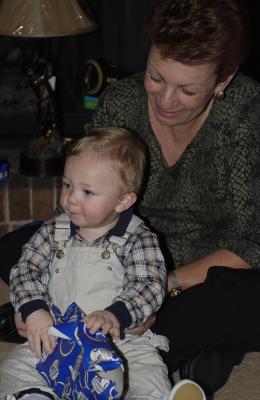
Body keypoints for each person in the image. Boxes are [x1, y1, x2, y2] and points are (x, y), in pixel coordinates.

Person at [1, 0, 260, 395]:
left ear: (222, 81)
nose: (166, 100)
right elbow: (76, 205)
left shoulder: (247, 112)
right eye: (157, 77)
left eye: (188, 89)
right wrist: (35, 300)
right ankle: (184, 353)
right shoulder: (122, 101)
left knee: (242, 299)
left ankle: (105, 346)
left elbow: (251, 240)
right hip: (111, 251)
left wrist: (160, 286)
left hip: (203, 272)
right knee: (18, 249)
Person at [0, 127, 206, 400]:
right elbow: (26, 269)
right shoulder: (53, 231)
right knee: (15, 367)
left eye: (87, 191)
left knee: (147, 373)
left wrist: (115, 314)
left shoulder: (138, 239)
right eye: (67, 185)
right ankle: (35, 395)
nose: (71, 198)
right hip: (57, 337)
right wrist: (33, 308)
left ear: (123, 200)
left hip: (122, 342)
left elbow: (149, 285)